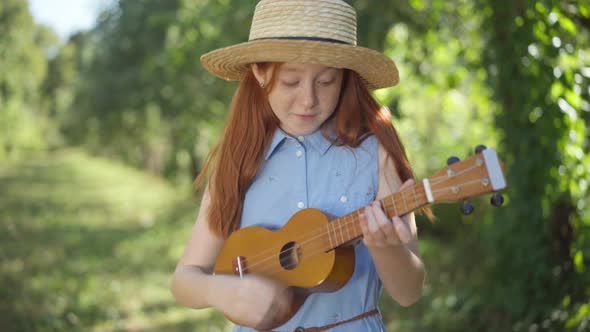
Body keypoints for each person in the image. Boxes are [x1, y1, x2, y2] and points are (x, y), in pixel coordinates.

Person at [171, 0, 428, 331]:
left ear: (346, 78)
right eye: (291, 81)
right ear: (260, 72)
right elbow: (183, 279)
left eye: (326, 82)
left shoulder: (376, 152)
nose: (308, 100)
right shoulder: (238, 158)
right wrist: (219, 291)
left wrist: (388, 249)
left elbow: (409, 293)